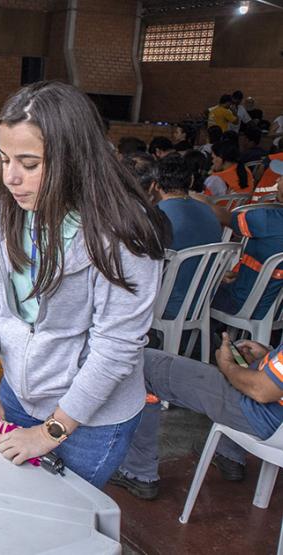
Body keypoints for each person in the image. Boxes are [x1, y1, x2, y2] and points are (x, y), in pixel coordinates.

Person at [0, 81, 167, 488]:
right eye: (3, 159)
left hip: (91, 417)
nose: (11, 177)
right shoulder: (2, 212)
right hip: (18, 393)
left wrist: (50, 432)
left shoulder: (123, 235)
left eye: (30, 163)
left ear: (74, 158)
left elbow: (116, 347)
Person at [111, 336, 283, 498]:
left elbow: (261, 390)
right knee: (242, 359)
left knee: (144, 364)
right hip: (272, 414)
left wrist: (228, 365)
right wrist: (268, 358)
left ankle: (137, 472)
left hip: (263, 415)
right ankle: (228, 454)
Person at [150, 154, 222, 320]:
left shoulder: (155, 216)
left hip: (165, 305)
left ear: (156, 184)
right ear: (190, 181)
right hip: (202, 301)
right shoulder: (209, 212)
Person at [211, 178, 283, 322]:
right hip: (277, 311)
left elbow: (224, 217)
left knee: (194, 293)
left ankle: (206, 342)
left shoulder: (268, 220)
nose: (277, 180)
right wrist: (240, 274)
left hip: (246, 305)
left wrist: (196, 199)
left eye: (282, 177)